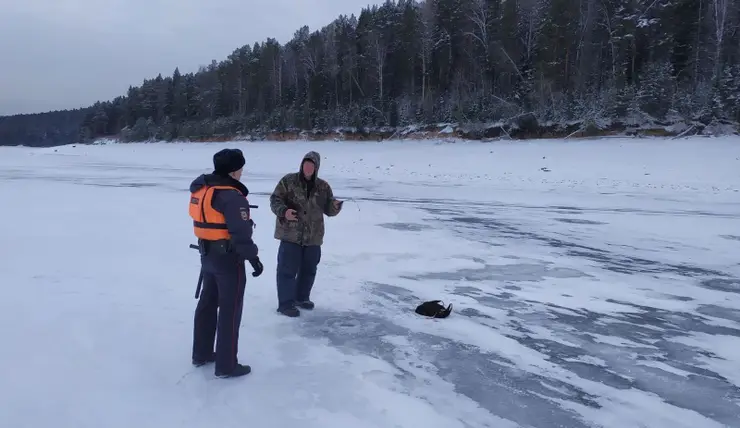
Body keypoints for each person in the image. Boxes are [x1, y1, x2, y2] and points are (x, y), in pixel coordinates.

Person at [188, 148, 264, 378]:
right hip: (228, 260)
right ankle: (226, 365)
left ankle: (201, 354)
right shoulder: (232, 197)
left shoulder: (203, 189)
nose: (242, 172)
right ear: (233, 170)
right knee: (230, 311)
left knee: (207, 305)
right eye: (240, 168)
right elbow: (240, 234)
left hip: (207, 256)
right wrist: (254, 258)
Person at [269, 151, 342, 317]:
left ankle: (302, 298)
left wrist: (336, 206)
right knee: (287, 270)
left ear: (316, 168)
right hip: (290, 235)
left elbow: (329, 209)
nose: (308, 167)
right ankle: (285, 304)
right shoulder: (288, 181)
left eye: (312, 165)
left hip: (313, 237)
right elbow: (275, 200)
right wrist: (284, 211)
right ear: (302, 165)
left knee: (309, 270)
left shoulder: (323, 186)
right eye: (306, 164)